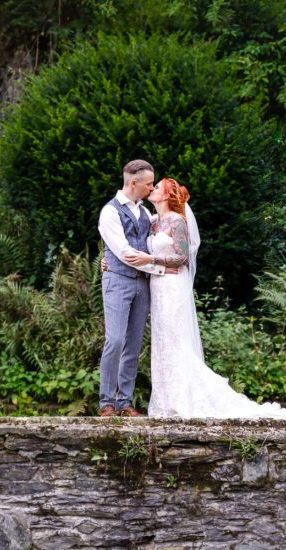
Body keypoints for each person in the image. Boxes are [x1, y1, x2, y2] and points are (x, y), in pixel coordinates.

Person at [119, 177, 286, 421]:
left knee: (176, 342)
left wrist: (151, 260)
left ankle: (183, 400)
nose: (152, 188)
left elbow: (183, 258)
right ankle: (165, 403)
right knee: (162, 343)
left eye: (157, 186)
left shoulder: (177, 222)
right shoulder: (154, 222)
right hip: (158, 287)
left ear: (167, 194)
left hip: (173, 287)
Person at [96, 160, 178, 418]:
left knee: (133, 344)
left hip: (143, 284)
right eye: (148, 184)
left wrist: (155, 266)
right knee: (115, 340)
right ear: (134, 182)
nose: (151, 187)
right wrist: (161, 268)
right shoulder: (110, 212)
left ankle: (125, 403)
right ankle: (106, 403)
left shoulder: (145, 214)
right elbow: (124, 252)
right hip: (118, 281)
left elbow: (154, 245)